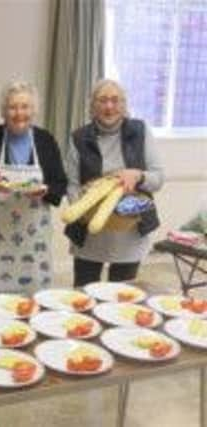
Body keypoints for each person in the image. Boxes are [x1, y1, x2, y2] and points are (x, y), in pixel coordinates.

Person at [0, 80, 67, 296]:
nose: (19, 113)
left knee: (31, 303)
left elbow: (60, 183)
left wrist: (46, 190)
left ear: (34, 110)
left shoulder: (45, 140)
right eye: (13, 107)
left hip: (33, 241)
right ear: (4, 111)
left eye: (25, 106)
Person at [64, 79, 164, 287]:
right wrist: (82, 208)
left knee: (121, 298)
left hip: (130, 232)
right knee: (84, 294)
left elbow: (158, 178)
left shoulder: (140, 131)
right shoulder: (79, 138)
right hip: (90, 232)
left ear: (124, 105)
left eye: (115, 100)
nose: (109, 106)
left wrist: (138, 175)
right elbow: (71, 184)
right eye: (102, 100)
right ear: (93, 106)